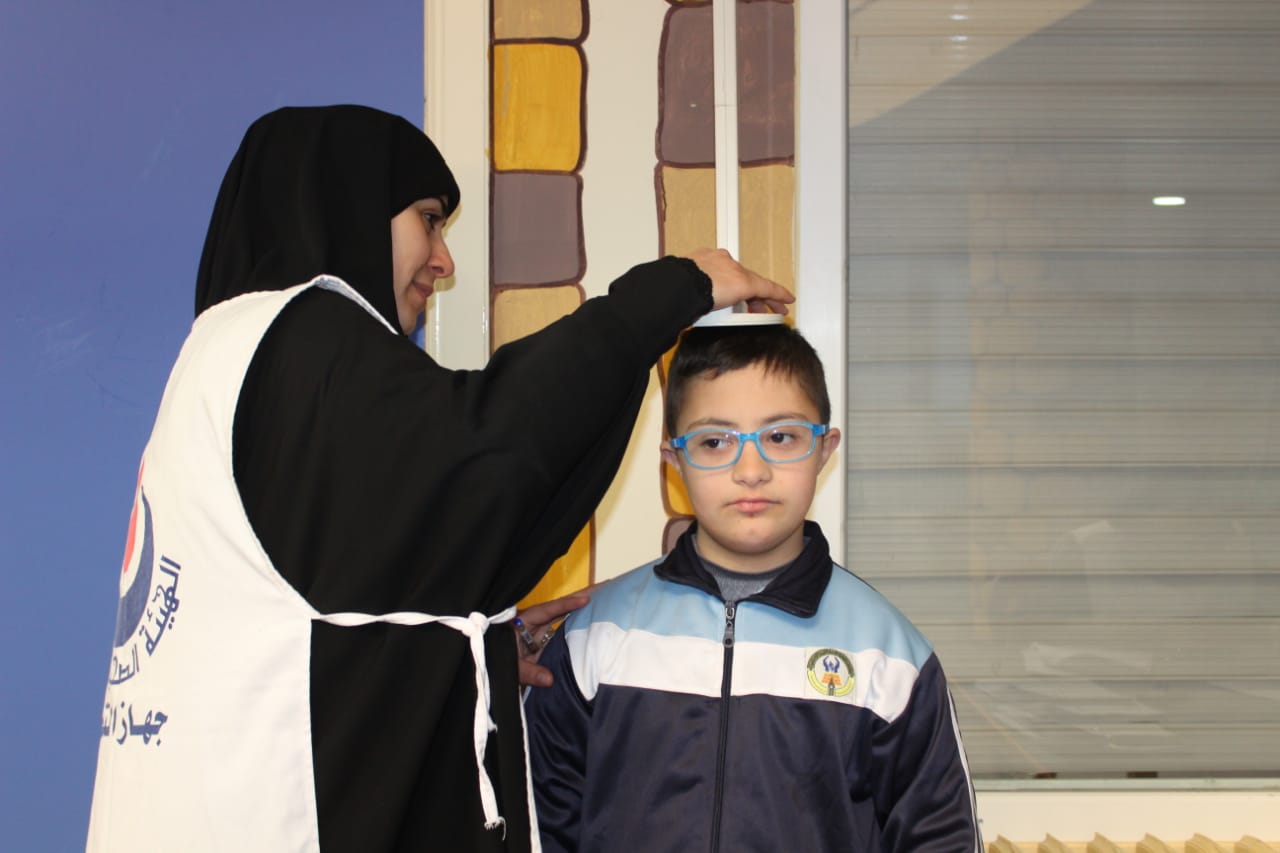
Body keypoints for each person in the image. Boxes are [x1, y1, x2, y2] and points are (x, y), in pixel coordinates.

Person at [85, 104, 792, 853]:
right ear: (351, 204)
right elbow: (489, 455)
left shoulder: (229, 356)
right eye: (428, 219)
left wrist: (461, 647)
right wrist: (672, 291)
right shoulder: (306, 346)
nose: (443, 260)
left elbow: (340, 585)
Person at [523, 324, 982, 852]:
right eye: (714, 442)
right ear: (674, 461)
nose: (751, 470)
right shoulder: (595, 637)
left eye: (780, 437)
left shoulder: (889, 655)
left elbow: (940, 838)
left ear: (824, 449)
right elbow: (537, 825)